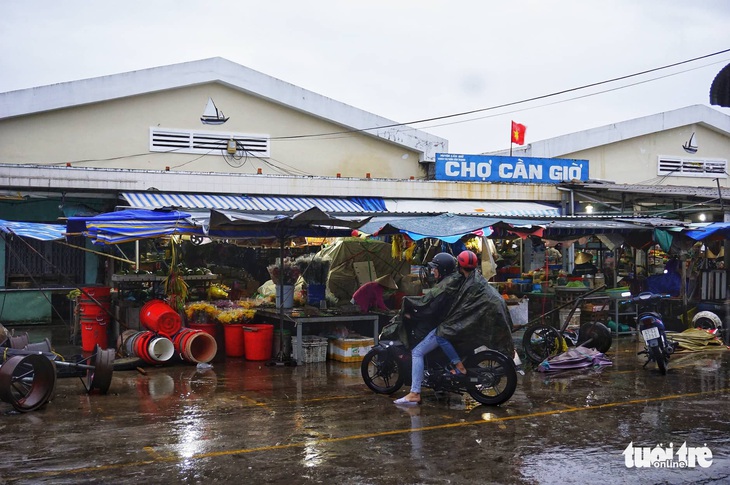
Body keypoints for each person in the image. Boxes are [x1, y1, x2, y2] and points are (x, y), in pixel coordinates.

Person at [395, 250, 515, 405]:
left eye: (435, 269)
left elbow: (436, 307)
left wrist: (413, 311)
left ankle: (415, 392)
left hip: (464, 319)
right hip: (478, 316)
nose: (433, 272)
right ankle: (445, 377)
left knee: (425, 346)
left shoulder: (457, 282)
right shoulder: (467, 278)